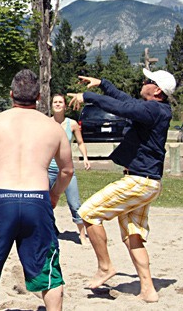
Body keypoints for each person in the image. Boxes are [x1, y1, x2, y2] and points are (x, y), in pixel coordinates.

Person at [0, 69, 74, 311]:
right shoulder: (54, 128)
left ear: (11, 94)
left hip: (2, 200)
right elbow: (67, 171)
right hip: (37, 199)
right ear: (39, 97)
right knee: (49, 271)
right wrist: (53, 194)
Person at [68, 68, 176, 303]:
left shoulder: (153, 109)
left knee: (87, 212)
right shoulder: (156, 109)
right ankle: (148, 290)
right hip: (148, 182)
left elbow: (122, 108)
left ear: (157, 90)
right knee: (132, 235)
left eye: (148, 80)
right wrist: (102, 83)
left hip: (138, 181)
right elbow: (126, 101)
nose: (143, 81)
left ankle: (105, 267)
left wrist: (89, 97)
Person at [49, 94, 90, 244]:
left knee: (74, 203)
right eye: (55, 102)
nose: (58, 104)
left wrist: (85, 157)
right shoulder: (46, 123)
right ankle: (50, 229)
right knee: (45, 202)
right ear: (51, 105)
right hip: (49, 169)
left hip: (67, 170)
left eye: (60, 102)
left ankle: (82, 235)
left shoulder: (72, 124)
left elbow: (80, 142)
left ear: (65, 106)